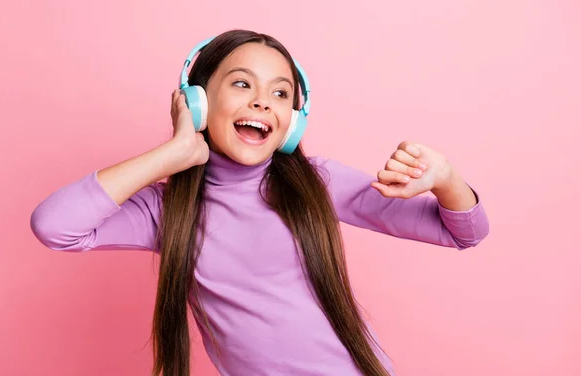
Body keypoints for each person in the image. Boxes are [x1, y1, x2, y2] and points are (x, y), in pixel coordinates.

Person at [30, 29, 490, 376]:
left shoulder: (318, 183)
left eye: (280, 93)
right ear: (197, 101)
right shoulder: (166, 210)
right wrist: (173, 153)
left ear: (293, 121)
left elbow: (464, 232)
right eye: (242, 85)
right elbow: (54, 225)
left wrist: (445, 178)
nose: (263, 102)